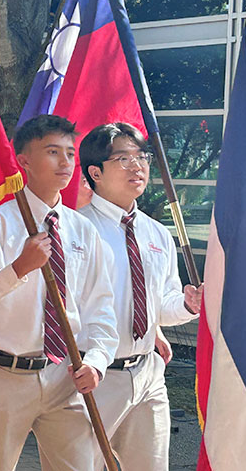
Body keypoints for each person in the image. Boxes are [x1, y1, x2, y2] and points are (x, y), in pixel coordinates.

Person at [0, 115, 118, 471]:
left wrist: (97, 362)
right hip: (6, 375)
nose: (65, 163)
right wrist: (18, 269)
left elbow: (100, 309)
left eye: (71, 154)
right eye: (53, 152)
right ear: (24, 160)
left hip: (65, 376)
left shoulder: (82, 230)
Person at [77, 122, 203, 471]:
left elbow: (163, 304)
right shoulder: (76, 229)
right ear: (95, 172)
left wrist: (188, 305)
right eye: (123, 158)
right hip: (94, 379)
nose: (137, 166)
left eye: (142, 156)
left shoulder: (157, 233)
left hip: (147, 375)